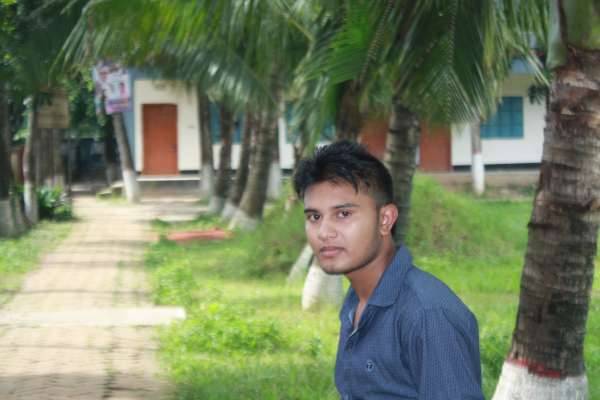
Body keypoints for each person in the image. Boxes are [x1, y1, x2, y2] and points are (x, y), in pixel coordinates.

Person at [293, 140, 484, 400]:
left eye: (343, 214)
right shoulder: (357, 300)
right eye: (314, 217)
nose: (324, 232)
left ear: (385, 219)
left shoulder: (427, 314)